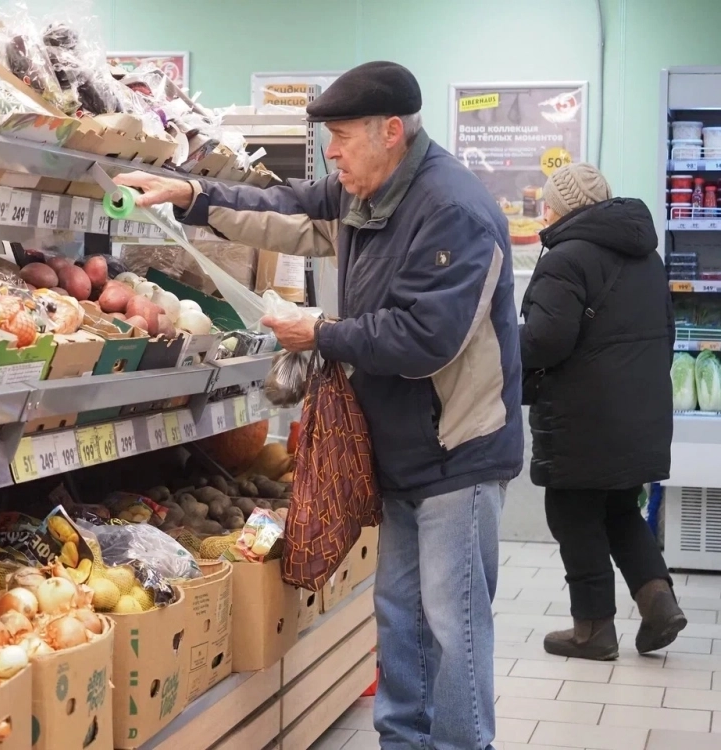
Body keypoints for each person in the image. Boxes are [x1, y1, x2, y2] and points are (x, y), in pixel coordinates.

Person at [116, 61, 523, 750]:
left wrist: (322, 332)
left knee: (454, 623)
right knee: (399, 614)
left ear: (390, 131)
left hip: (459, 452)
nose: (331, 153)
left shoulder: (453, 209)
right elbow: (287, 211)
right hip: (397, 449)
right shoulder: (368, 193)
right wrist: (189, 193)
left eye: (340, 136)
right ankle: (403, 740)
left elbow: (429, 338)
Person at [519, 163, 683, 660]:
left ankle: (593, 629)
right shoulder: (647, 255)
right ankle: (659, 602)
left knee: (571, 512)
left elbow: (546, 341)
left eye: (548, 203)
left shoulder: (566, 258)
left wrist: (506, 347)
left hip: (582, 416)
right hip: (640, 411)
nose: (544, 211)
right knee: (618, 508)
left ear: (563, 207)